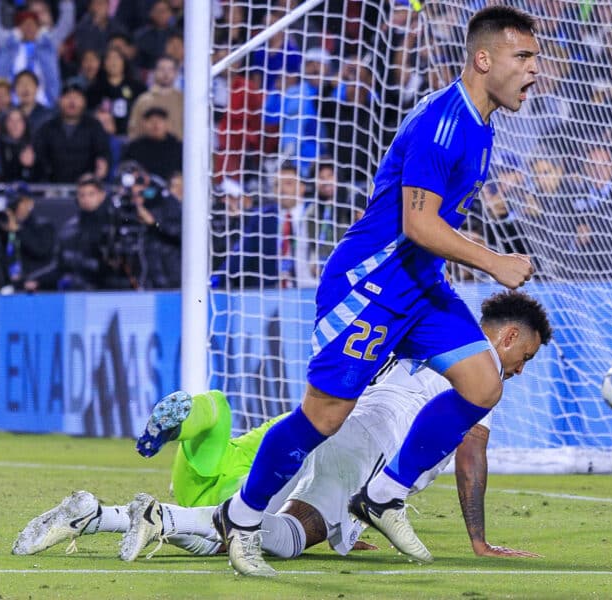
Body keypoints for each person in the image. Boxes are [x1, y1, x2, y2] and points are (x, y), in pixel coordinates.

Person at [214, 6, 540, 577]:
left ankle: (385, 493)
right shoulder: (444, 124)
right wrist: (493, 262)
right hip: (371, 286)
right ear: (484, 59)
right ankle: (242, 519)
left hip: (420, 286)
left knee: (484, 381)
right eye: (523, 57)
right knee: (325, 417)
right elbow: (418, 226)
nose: (534, 70)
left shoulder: (483, 124)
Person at [12, 291, 551, 563]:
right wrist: (479, 541)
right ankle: (159, 516)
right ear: (506, 338)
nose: (520, 369)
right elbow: (471, 455)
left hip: (339, 431)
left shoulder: (432, 333)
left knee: (243, 526)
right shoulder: (481, 372)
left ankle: (96, 515)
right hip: (364, 452)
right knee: (287, 540)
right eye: (524, 355)